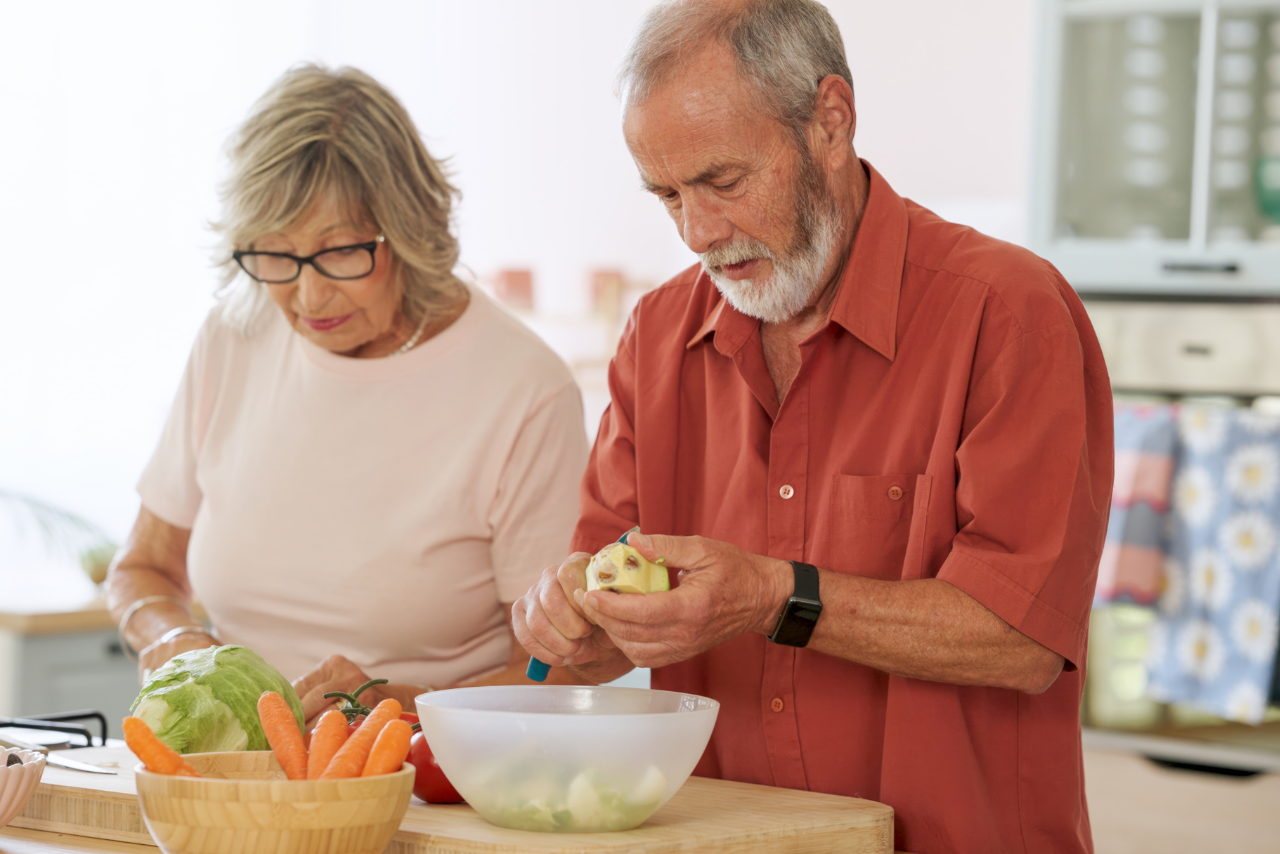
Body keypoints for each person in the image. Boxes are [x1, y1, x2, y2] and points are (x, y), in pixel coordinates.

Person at [512, 2, 1112, 852]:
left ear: (831, 119)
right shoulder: (654, 338)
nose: (699, 232)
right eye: (668, 196)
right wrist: (566, 620)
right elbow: (603, 633)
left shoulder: (1007, 313)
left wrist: (771, 596)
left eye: (723, 181)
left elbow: (1022, 639)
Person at [106, 64, 590, 728]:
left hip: (419, 782)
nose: (308, 298)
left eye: (339, 253)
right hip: (233, 775)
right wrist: (171, 642)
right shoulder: (236, 332)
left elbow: (555, 669)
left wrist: (406, 709)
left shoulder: (525, 390)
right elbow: (143, 567)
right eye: (274, 254)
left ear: (411, 230)